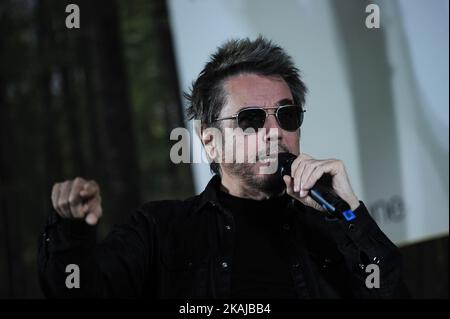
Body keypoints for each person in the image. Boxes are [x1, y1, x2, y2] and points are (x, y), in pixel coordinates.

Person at [38, 37, 408, 298]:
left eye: (287, 115)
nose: (275, 132)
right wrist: (71, 232)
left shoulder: (333, 230)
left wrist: (351, 214)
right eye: (250, 120)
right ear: (209, 139)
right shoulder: (160, 231)